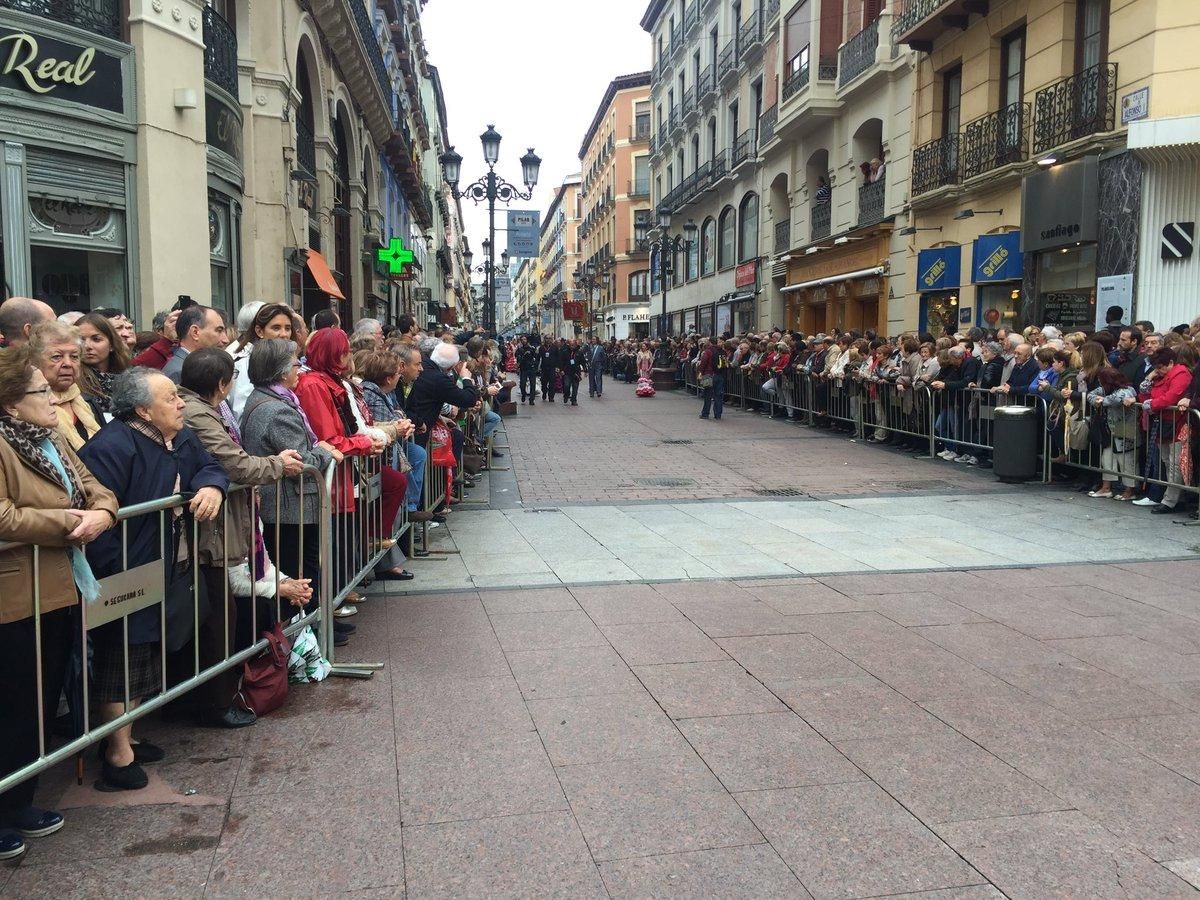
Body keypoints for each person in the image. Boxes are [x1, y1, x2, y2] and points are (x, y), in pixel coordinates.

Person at [79, 368, 228, 791]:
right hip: (125, 569)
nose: (181, 405)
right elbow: (101, 514)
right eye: (170, 399)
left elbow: (211, 467)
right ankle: (117, 753)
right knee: (121, 658)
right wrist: (112, 575)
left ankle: (126, 734)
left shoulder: (179, 436)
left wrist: (212, 488)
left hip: (165, 563)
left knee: (145, 655)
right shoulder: (112, 446)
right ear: (143, 409)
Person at [0, 347, 117, 860]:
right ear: (10, 403)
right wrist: (71, 523)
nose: (53, 397)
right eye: (40, 392)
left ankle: (20, 799)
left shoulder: (50, 439)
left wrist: (103, 515)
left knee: (41, 699)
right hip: (15, 594)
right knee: (12, 703)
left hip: (61, 585)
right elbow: (4, 517)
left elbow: (96, 488)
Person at [179, 348, 304, 727]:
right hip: (211, 530)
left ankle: (219, 694)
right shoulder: (198, 412)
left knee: (226, 614)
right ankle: (214, 702)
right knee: (219, 617)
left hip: (229, 522)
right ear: (222, 383)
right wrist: (277, 465)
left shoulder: (211, 408)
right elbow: (231, 461)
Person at [239, 340, 342, 639]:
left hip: (287, 505)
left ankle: (315, 626)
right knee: (301, 571)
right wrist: (325, 452)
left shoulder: (272, 401)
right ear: (281, 371)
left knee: (301, 568)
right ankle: (307, 634)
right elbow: (301, 462)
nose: (300, 369)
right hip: (289, 507)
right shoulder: (276, 410)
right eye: (297, 363)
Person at [296, 329, 393, 600]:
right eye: (344, 350)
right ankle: (331, 603)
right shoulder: (315, 385)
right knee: (331, 544)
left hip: (340, 478)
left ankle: (337, 595)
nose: (348, 355)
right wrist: (363, 444)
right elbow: (328, 438)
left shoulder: (331, 382)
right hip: (330, 480)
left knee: (339, 539)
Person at [29, 322, 103, 450]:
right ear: (34, 361)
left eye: (74, 356)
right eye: (57, 357)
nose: (68, 363)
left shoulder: (88, 402)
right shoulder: (29, 409)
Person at [228, 303, 294, 418]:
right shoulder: (245, 361)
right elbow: (241, 412)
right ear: (259, 331)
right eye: (276, 328)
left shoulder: (280, 358)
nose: (284, 334)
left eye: (287, 328)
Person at [77, 312, 131, 416]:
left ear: (111, 344)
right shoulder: (72, 382)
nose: (87, 346)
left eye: (96, 339)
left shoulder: (128, 378)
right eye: (81, 340)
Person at [162, 305, 229, 383]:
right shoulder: (178, 373)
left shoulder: (192, 367)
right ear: (195, 332)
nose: (226, 340)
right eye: (219, 330)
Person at [697, 336, 727, 420]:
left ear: (710, 342)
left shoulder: (708, 351)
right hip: (719, 375)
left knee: (708, 395)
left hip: (709, 375)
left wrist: (700, 372)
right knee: (718, 395)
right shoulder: (722, 351)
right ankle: (718, 414)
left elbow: (703, 363)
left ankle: (705, 413)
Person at [517, 335, 539, 404]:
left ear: (527, 340)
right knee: (522, 384)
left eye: (525, 339)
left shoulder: (532, 349)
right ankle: (523, 394)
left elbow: (536, 357)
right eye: (522, 339)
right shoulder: (520, 349)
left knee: (532, 384)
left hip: (531, 368)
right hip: (523, 368)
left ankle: (531, 399)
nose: (524, 341)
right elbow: (518, 358)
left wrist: (535, 365)